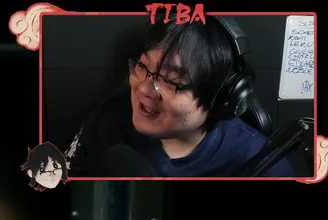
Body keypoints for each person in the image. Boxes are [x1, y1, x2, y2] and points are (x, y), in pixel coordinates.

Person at [64, 17, 299, 178]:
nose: (144, 89)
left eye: (170, 81)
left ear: (219, 98)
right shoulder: (109, 120)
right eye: (143, 67)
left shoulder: (265, 167)